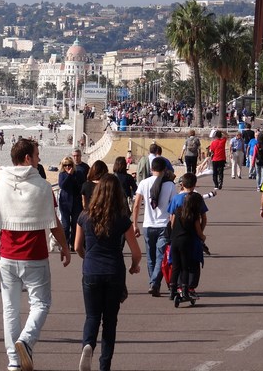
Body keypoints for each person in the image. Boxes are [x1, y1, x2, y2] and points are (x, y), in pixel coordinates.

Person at [0, 138, 71, 371]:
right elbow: (54, 223)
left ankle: (13, 361)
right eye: (37, 154)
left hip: (7, 257)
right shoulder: (42, 187)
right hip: (34, 256)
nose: (39, 158)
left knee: (10, 309)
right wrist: (64, 247)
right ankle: (26, 341)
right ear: (27, 158)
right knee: (41, 303)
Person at [75, 174, 142, 371]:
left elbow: (78, 245)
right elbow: (136, 252)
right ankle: (104, 366)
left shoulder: (84, 216)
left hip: (91, 271)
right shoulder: (121, 219)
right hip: (114, 271)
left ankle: (88, 344)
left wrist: (86, 257)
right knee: (110, 321)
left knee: (92, 316)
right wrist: (133, 266)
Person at [131, 157, 176, 297]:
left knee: (150, 257)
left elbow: (137, 204)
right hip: (163, 225)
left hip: (148, 225)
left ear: (151, 169)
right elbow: (174, 208)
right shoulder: (170, 185)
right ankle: (154, 283)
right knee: (160, 256)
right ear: (165, 170)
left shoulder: (144, 183)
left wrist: (134, 224)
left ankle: (153, 283)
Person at [167, 176, 207, 301]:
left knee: (176, 265)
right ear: (194, 184)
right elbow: (203, 218)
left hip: (176, 237)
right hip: (191, 237)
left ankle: (175, 288)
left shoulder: (176, 199)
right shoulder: (197, 199)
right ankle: (189, 288)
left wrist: (174, 232)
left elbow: (171, 220)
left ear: (182, 184)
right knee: (192, 263)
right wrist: (201, 233)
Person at [58, 155, 85, 247]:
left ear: (72, 165)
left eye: (69, 165)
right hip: (65, 203)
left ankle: (73, 244)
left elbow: (81, 186)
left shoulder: (79, 173)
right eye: (65, 165)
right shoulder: (62, 174)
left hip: (76, 202)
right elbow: (62, 186)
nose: (67, 167)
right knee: (65, 225)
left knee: (75, 225)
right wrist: (69, 175)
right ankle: (65, 244)